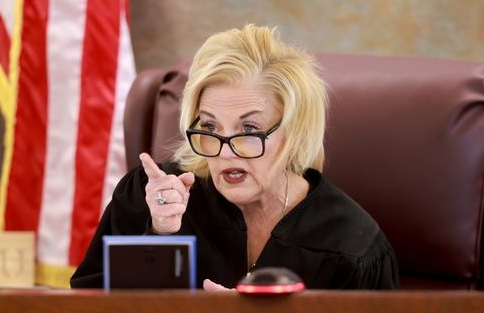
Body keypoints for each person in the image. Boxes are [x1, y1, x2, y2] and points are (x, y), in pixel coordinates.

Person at [71, 24, 399, 290]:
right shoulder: (149, 197)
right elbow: (92, 306)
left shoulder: (353, 246)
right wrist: (158, 238)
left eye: (249, 129)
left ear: (293, 133)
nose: (226, 151)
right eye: (210, 126)